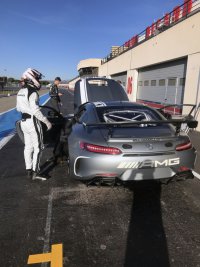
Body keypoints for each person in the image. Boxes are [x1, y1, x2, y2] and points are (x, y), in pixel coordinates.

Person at [16, 68, 52, 181]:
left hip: (23, 122)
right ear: (31, 78)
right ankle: (36, 172)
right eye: (37, 78)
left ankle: (29, 170)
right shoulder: (33, 92)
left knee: (28, 147)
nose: (38, 80)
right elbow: (36, 111)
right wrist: (47, 122)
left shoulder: (20, 91)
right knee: (38, 147)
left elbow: (18, 108)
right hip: (32, 122)